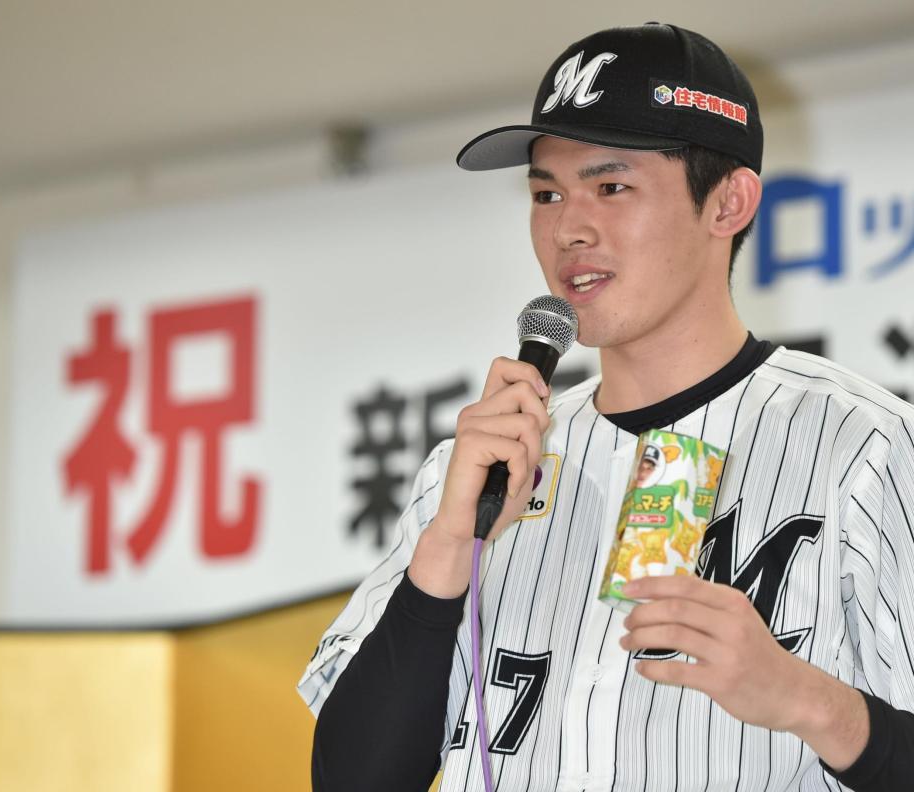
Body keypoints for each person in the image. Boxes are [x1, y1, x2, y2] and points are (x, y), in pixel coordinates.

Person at [298, 22, 914, 791]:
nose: (569, 228)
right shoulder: (475, 475)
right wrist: (450, 547)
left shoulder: (863, 446)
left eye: (611, 187)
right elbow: (352, 779)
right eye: (546, 193)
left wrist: (809, 702)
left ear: (729, 203)